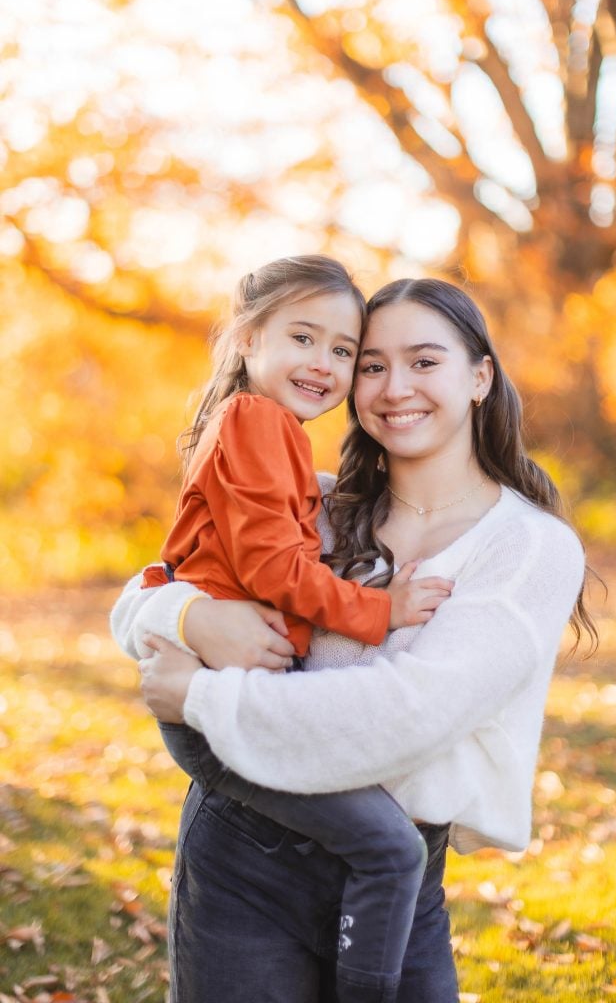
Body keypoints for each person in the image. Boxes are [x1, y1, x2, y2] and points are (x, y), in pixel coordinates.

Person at [112, 277, 594, 1003]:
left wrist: (202, 693)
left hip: (393, 870)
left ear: (479, 377)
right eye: (370, 364)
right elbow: (138, 597)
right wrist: (192, 620)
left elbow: (408, 711)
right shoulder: (319, 508)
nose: (394, 386)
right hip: (245, 858)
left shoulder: (527, 547)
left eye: (424, 361)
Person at [129, 254, 454, 1003]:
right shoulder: (254, 421)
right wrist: (383, 609)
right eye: (303, 339)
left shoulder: (273, 436)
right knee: (389, 852)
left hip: (239, 689)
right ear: (248, 341)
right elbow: (275, 571)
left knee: (388, 851)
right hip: (218, 700)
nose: (324, 363)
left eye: (343, 351)